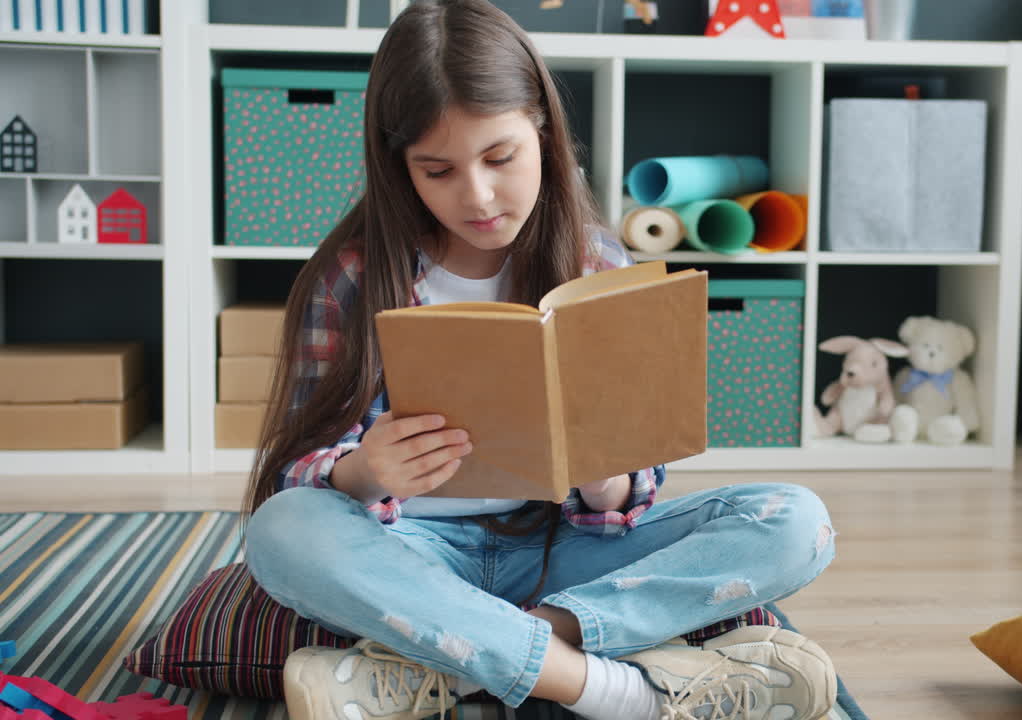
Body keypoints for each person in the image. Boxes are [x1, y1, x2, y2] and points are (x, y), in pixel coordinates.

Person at [241, 2, 838, 719]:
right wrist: (364, 470)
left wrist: (606, 474)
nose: (479, 196)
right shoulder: (351, 274)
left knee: (797, 522)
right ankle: (608, 689)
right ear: (400, 169)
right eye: (438, 170)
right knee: (282, 534)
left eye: (500, 158)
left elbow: (633, 489)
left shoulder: (598, 263)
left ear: (543, 133)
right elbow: (293, 475)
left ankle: (459, 661)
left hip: (563, 553)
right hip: (410, 551)